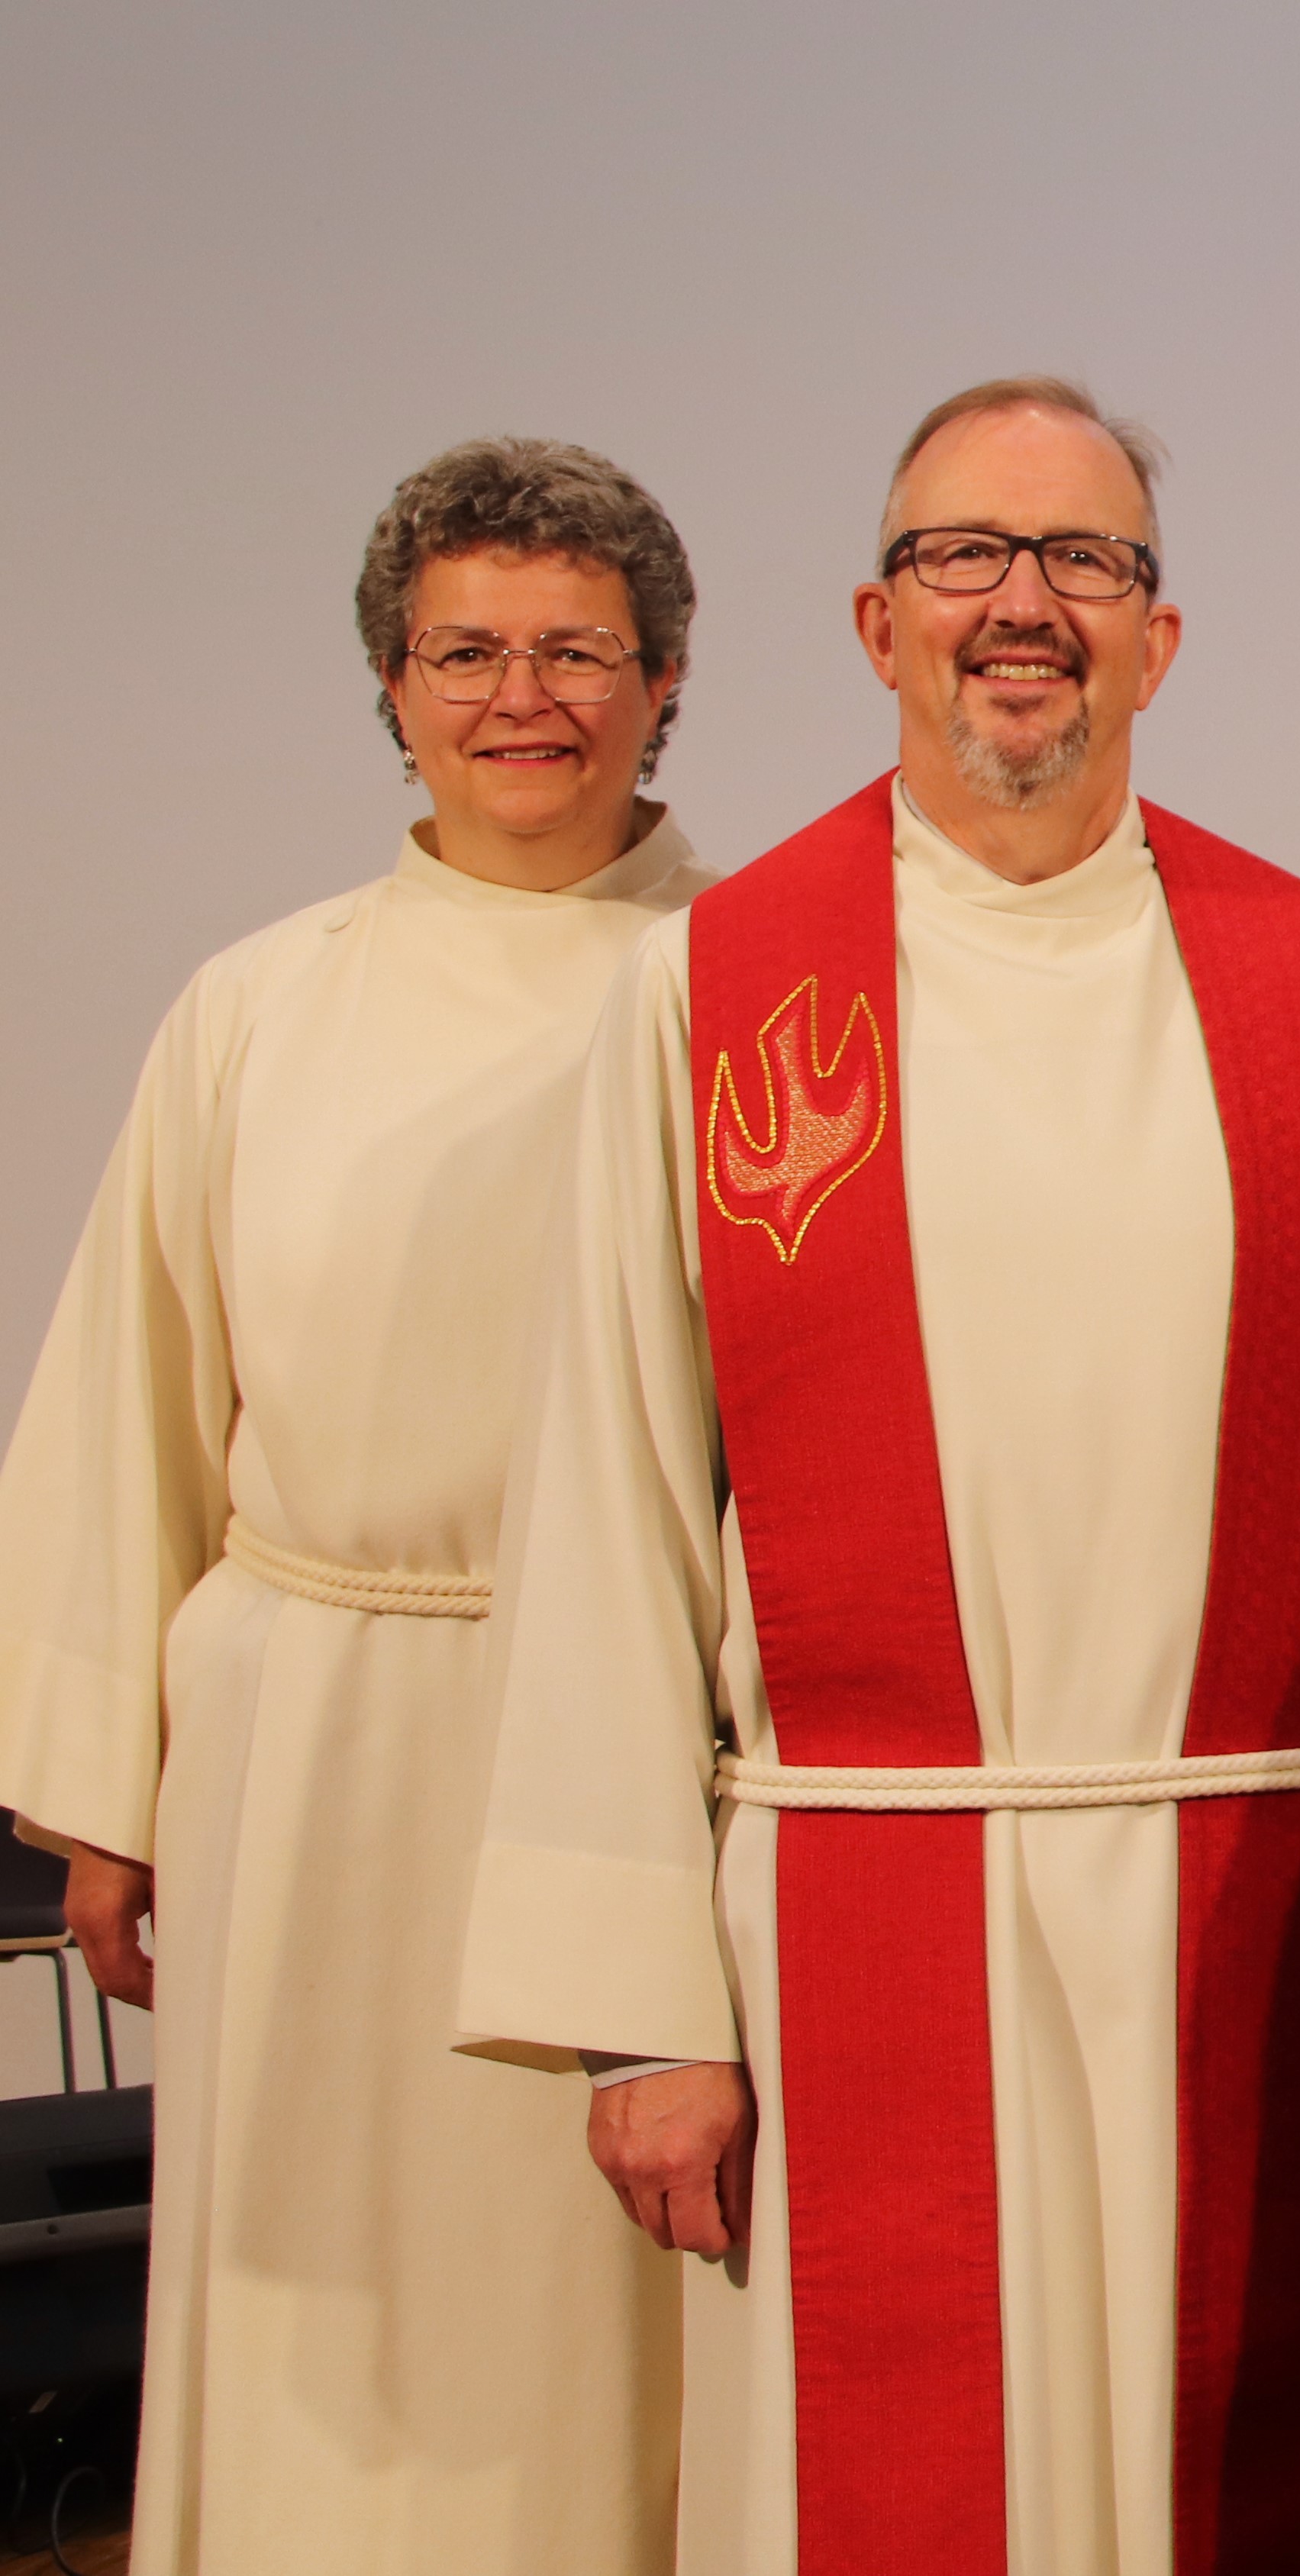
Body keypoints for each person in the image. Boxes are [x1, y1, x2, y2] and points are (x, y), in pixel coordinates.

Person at [453, 378, 1300, 2574]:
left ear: (1160, 637)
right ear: (876, 621)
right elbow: (616, 1508)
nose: (1021, 605)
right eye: (966, 555)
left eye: (1084, 562)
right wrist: (635, 2013)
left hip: (1245, 1916)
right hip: (855, 1913)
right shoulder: (715, 988)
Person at [0, 437, 705, 2575]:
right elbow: (135, 1391)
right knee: (324, 2335)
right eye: (467, 651)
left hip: (630, 1753)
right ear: (390, 689)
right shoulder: (260, 1002)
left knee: (595, 2338)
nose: (525, 698)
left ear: (668, 679)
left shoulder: (771, 991)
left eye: (579, 649)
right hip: (308, 1752)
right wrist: (101, 1794)